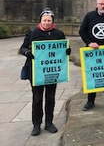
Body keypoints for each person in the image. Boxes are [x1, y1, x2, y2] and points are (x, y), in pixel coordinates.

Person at [20, 8, 71, 136]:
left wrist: (67, 51)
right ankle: (36, 125)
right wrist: (27, 52)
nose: (47, 23)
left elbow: (63, 47)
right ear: (40, 20)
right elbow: (23, 48)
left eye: (49, 20)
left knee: (50, 98)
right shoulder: (32, 33)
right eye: (45, 20)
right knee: (37, 99)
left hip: (52, 72)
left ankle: (49, 122)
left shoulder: (58, 33)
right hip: (36, 72)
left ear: (53, 21)